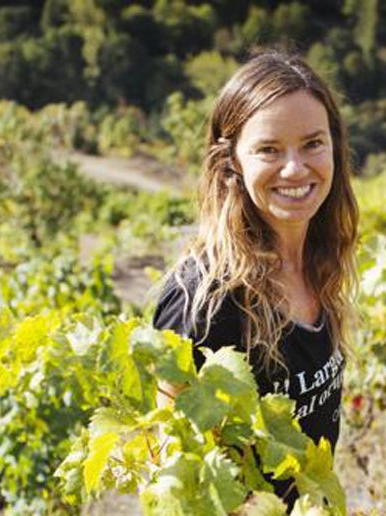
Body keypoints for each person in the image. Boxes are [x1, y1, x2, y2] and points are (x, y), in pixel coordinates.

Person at [152, 51, 359, 460]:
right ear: (232, 161)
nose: (295, 169)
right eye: (269, 149)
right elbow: (170, 479)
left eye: (313, 143)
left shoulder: (321, 263)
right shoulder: (203, 302)